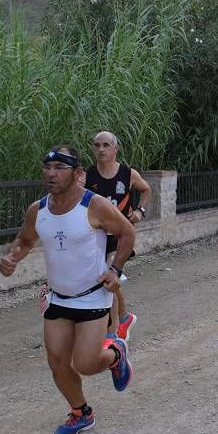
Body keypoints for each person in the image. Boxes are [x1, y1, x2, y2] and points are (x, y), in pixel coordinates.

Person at [0, 145, 135, 434]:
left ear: (77, 173)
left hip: (92, 296)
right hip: (58, 298)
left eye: (60, 168)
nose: (51, 174)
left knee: (85, 364)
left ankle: (115, 355)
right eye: (47, 168)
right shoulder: (38, 210)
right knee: (58, 361)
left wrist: (115, 270)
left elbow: (127, 232)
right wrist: (12, 257)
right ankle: (80, 412)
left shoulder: (94, 205)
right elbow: (24, 239)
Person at [84, 131, 152, 342]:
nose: (101, 149)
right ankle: (124, 317)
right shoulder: (89, 175)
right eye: (97, 145)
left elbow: (147, 190)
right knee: (109, 281)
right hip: (97, 237)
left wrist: (140, 211)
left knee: (107, 278)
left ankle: (111, 333)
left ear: (115, 148)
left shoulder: (127, 173)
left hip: (120, 237)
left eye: (105, 145)